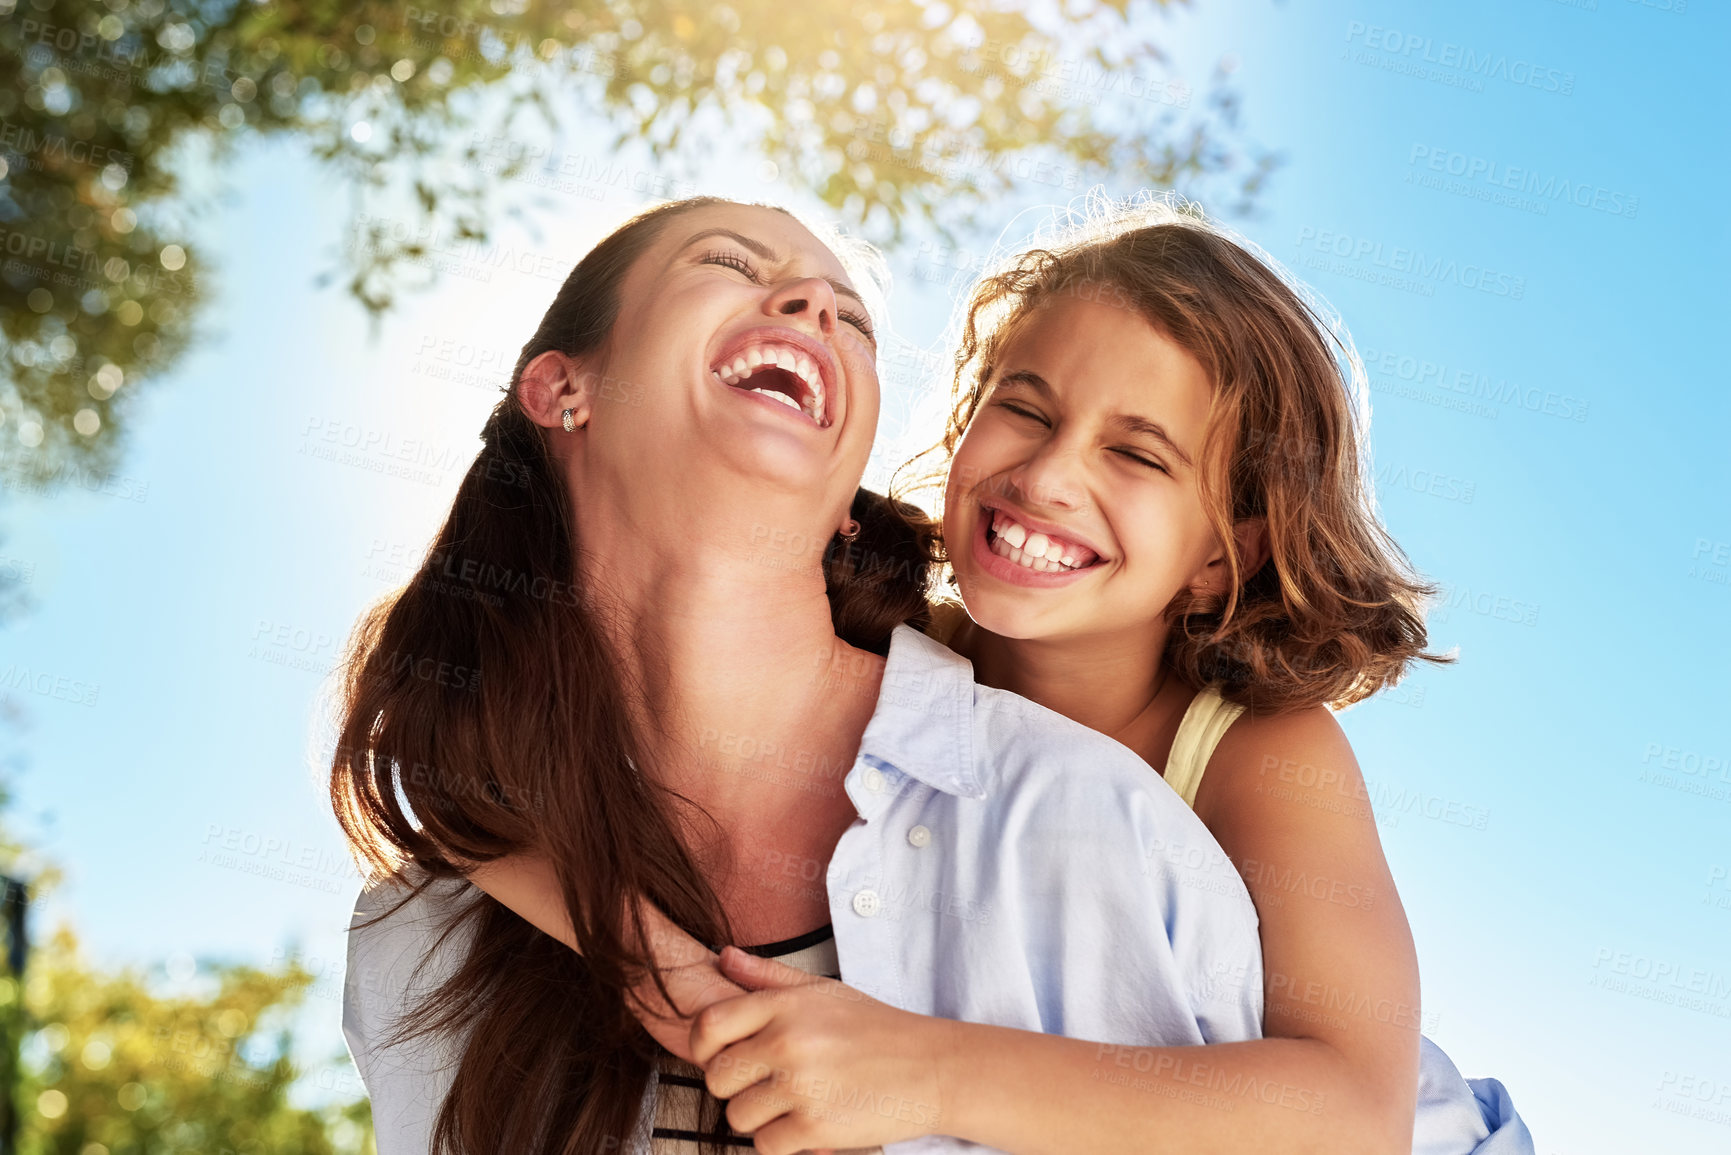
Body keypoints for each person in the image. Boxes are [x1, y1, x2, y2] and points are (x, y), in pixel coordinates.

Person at [458, 199, 1534, 1155]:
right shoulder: (879, 666)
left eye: (1138, 455)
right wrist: (680, 981)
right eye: (1025, 408)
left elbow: (1350, 1115)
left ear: (1224, 555)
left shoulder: (1256, 748)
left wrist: (923, 1070)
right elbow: (463, 807)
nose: (1050, 474)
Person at [334, 196, 1265, 1155]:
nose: (814, 303)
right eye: (728, 262)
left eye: (851, 319)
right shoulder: (417, 935)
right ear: (562, 389)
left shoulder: (1093, 818)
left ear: (849, 501)